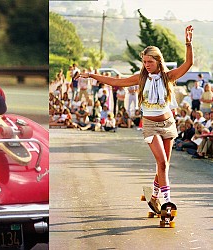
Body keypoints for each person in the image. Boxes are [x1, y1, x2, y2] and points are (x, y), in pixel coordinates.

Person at [78, 25, 194, 214]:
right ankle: (167, 202)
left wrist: (188, 43)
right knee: (162, 163)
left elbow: (188, 64)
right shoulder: (141, 79)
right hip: (150, 125)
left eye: (150, 61)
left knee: (164, 165)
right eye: (144, 61)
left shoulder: (168, 77)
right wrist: (91, 75)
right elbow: (116, 82)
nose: (146, 65)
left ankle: (155, 197)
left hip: (168, 124)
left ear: (158, 61)